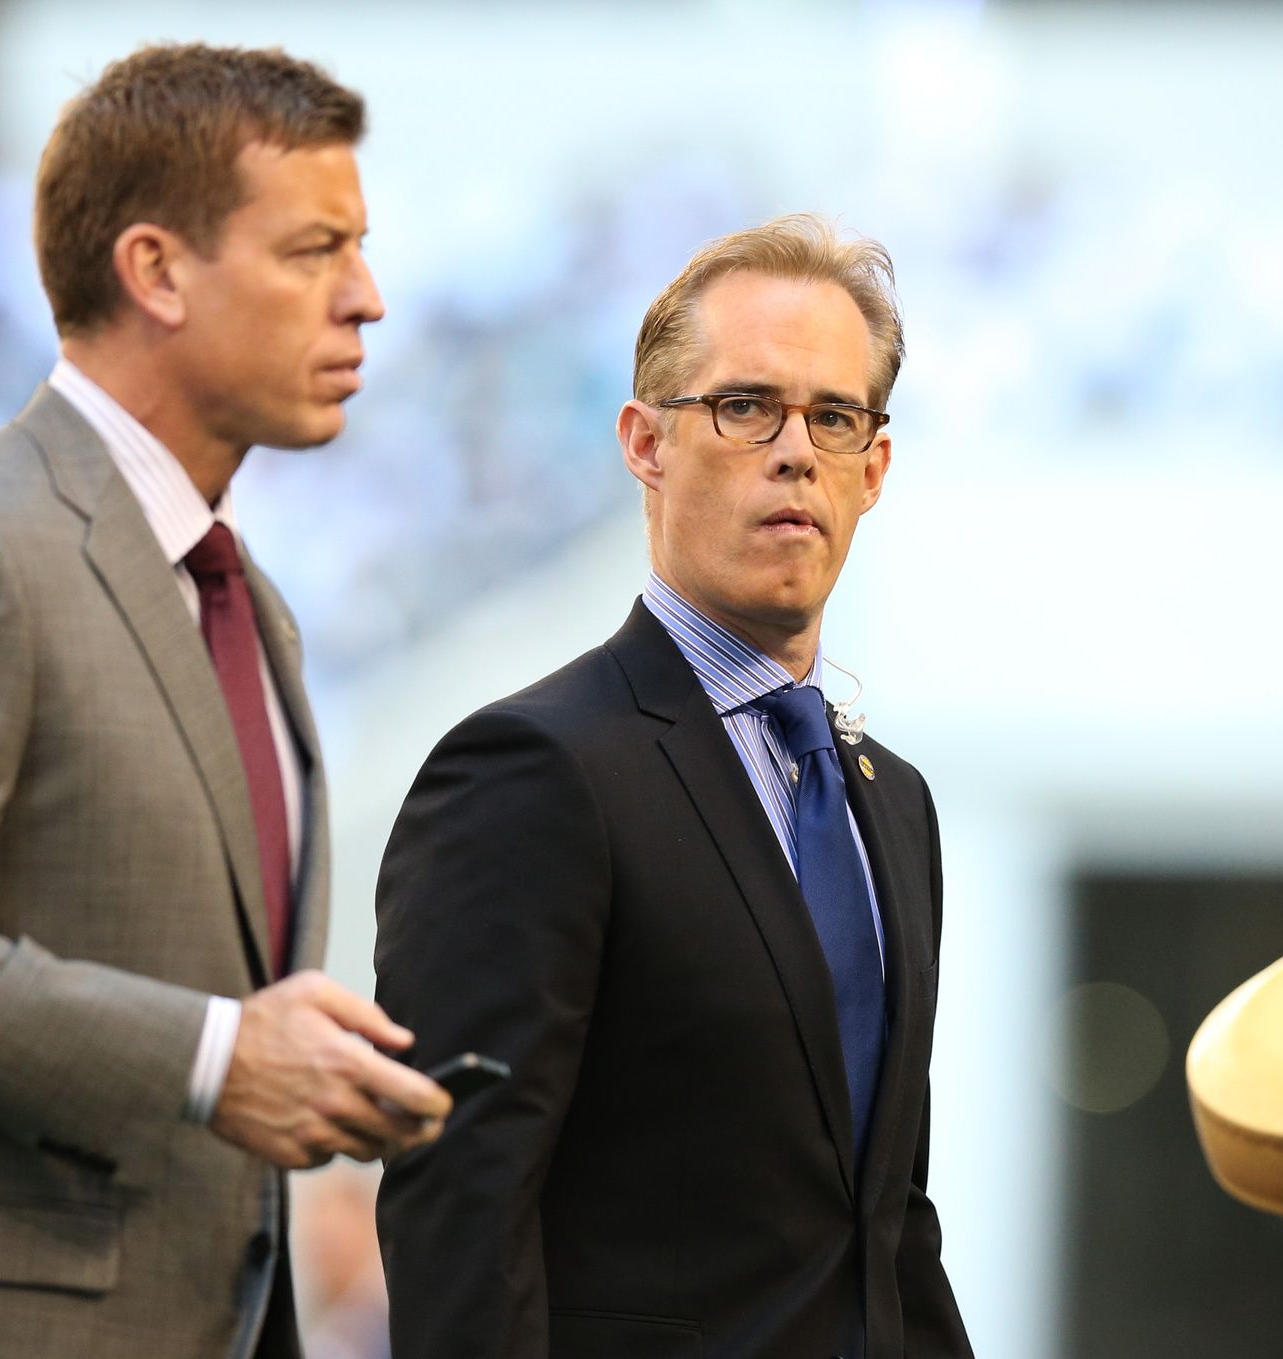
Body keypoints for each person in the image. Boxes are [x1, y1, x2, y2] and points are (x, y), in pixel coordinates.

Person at [0, 43, 450, 1359]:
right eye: (314, 249)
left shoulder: (251, 606)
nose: (368, 298)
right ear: (155, 269)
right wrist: (210, 1055)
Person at [374, 214, 973, 1359]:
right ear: (645, 443)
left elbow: (889, 1226)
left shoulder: (894, 805)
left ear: (874, 468)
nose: (795, 451)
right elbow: (461, 1206)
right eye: (746, 407)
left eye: (833, 417)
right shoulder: (533, 772)